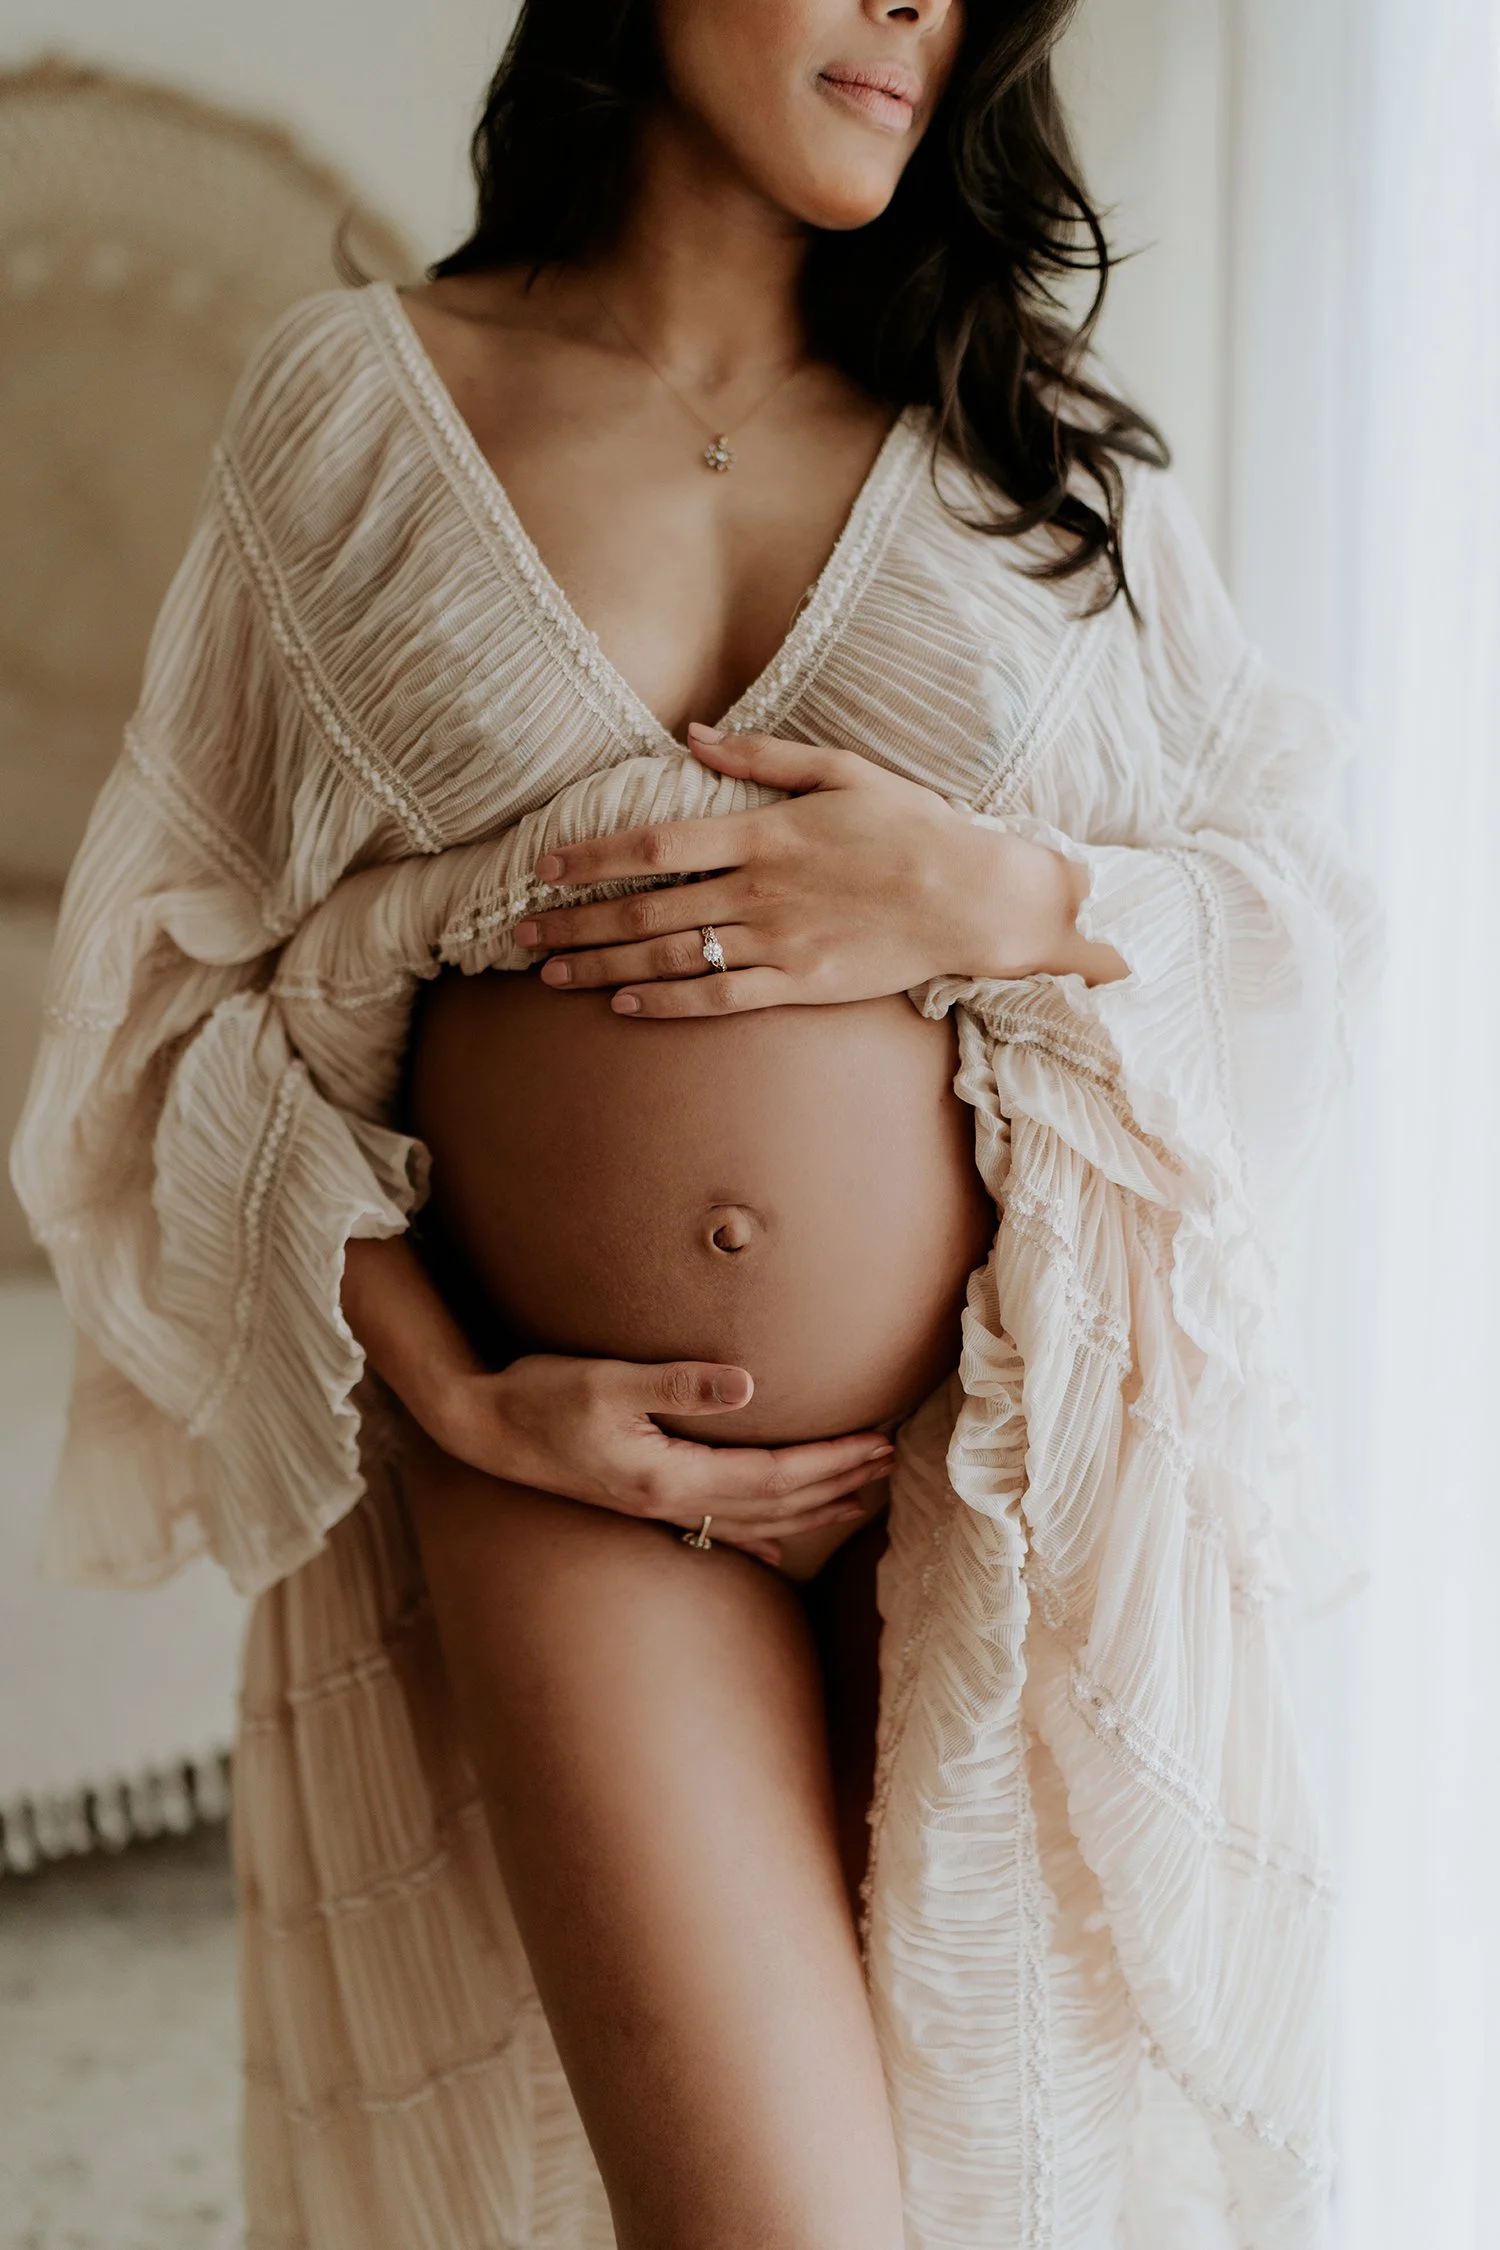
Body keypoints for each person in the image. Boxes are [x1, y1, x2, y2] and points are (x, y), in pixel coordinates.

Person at [11, 2, 1380, 2244]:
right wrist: (451, 1388)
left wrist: (989, 890)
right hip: (578, 1473)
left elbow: (1299, 914)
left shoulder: (1029, 456)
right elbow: (177, 999)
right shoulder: (357, 404)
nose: (907, 10)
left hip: (981, 1480)